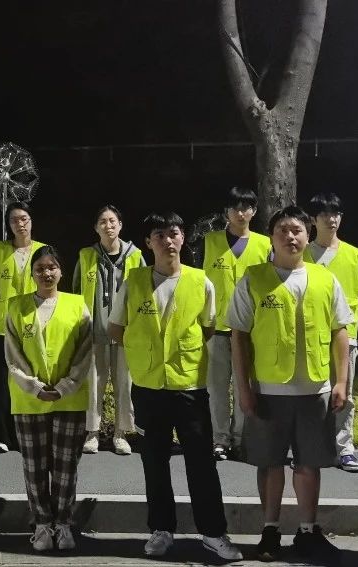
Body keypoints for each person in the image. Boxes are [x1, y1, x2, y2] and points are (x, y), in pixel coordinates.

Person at [108, 212, 241, 562]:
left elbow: (208, 327)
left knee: (202, 463)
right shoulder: (134, 281)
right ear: (148, 243)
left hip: (189, 387)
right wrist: (144, 353)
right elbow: (116, 328)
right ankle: (161, 530)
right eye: (159, 235)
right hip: (148, 386)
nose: (168, 240)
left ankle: (213, 533)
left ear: (182, 238)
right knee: (154, 462)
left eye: (174, 233)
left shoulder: (201, 281)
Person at [229, 206, 352, 562]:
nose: (290, 236)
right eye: (282, 230)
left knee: (309, 464)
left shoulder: (325, 279)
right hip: (268, 390)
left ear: (308, 236)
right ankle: (270, 529)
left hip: (315, 389)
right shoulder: (254, 278)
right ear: (271, 237)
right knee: (269, 464)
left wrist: (341, 382)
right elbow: (239, 336)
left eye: (297, 230)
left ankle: (308, 531)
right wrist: (243, 389)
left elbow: (340, 332)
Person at [6, 246, 94, 552]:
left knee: (65, 467)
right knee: (34, 466)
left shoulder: (77, 305)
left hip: (69, 399)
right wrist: (33, 387)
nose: (46, 273)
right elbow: (12, 355)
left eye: (52, 267)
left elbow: (85, 352)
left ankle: (63, 523)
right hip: (28, 400)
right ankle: (42, 524)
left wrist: (65, 386)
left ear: (61, 271)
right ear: (32, 273)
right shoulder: (16, 306)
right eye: (40, 268)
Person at [304, 192, 358, 473]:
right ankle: (312, 447)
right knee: (311, 395)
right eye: (324, 215)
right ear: (313, 220)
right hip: (310, 337)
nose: (331, 220)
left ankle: (344, 448)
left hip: (346, 336)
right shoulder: (303, 254)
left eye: (336, 214)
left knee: (345, 393)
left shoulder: (354, 255)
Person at [202, 186, 272, 460]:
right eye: (235, 208)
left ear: (254, 211)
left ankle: (242, 438)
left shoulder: (265, 245)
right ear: (226, 212)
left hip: (250, 330)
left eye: (246, 208)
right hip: (217, 328)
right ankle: (219, 438)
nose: (241, 213)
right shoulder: (209, 242)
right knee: (216, 388)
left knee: (246, 386)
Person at [71, 205, 145, 455]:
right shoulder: (86, 256)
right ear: (96, 227)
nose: (108, 225)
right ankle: (92, 432)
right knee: (94, 383)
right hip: (94, 332)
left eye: (112, 221)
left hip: (125, 332)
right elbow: (76, 293)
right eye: (102, 221)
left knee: (124, 383)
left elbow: (144, 292)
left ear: (120, 225)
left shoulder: (135, 256)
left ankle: (120, 433)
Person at [0, 201, 45, 454]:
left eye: (24, 219)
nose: (20, 224)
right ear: (8, 225)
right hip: (3, 323)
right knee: (2, 380)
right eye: (14, 220)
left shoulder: (42, 250)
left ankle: (27, 433)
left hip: (32, 322)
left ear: (31, 221)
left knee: (30, 377)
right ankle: (2, 435)